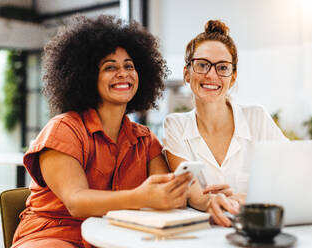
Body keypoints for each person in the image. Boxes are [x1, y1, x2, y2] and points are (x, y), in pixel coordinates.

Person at [12, 16, 192, 248]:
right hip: (57, 235)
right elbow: (77, 201)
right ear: (86, 76)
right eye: (110, 67)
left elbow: (166, 192)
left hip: (119, 235)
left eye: (129, 65)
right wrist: (143, 197)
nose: (123, 73)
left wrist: (197, 191)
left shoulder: (145, 139)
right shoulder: (64, 129)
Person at [163, 20, 287, 227]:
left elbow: (289, 175)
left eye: (222, 68)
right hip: (204, 237)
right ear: (187, 72)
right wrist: (213, 201)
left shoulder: (256, 118)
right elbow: (194, 194)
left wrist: (249, 199)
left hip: (256, 232)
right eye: (202, 65)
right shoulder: (175, 126)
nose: (212, 75)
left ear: (233, 76)